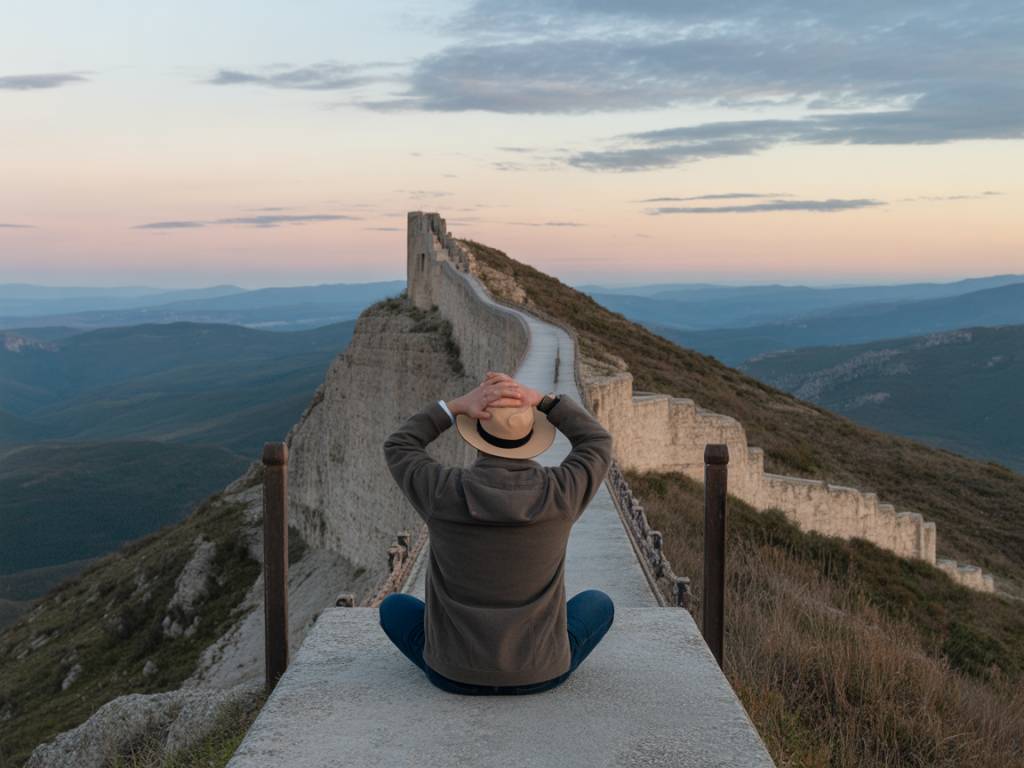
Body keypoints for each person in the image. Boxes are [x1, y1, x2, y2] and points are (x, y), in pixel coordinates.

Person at [379, 371, 615, 695]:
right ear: (531, 438)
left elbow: (399, 445)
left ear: (475, 435)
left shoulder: (442, 493)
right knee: (598, 603)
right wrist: (545, 402)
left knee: (393, 607)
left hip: (452, 673)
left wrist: (456, 406)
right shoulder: (561, 494)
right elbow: (597, 441)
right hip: (540, 672)